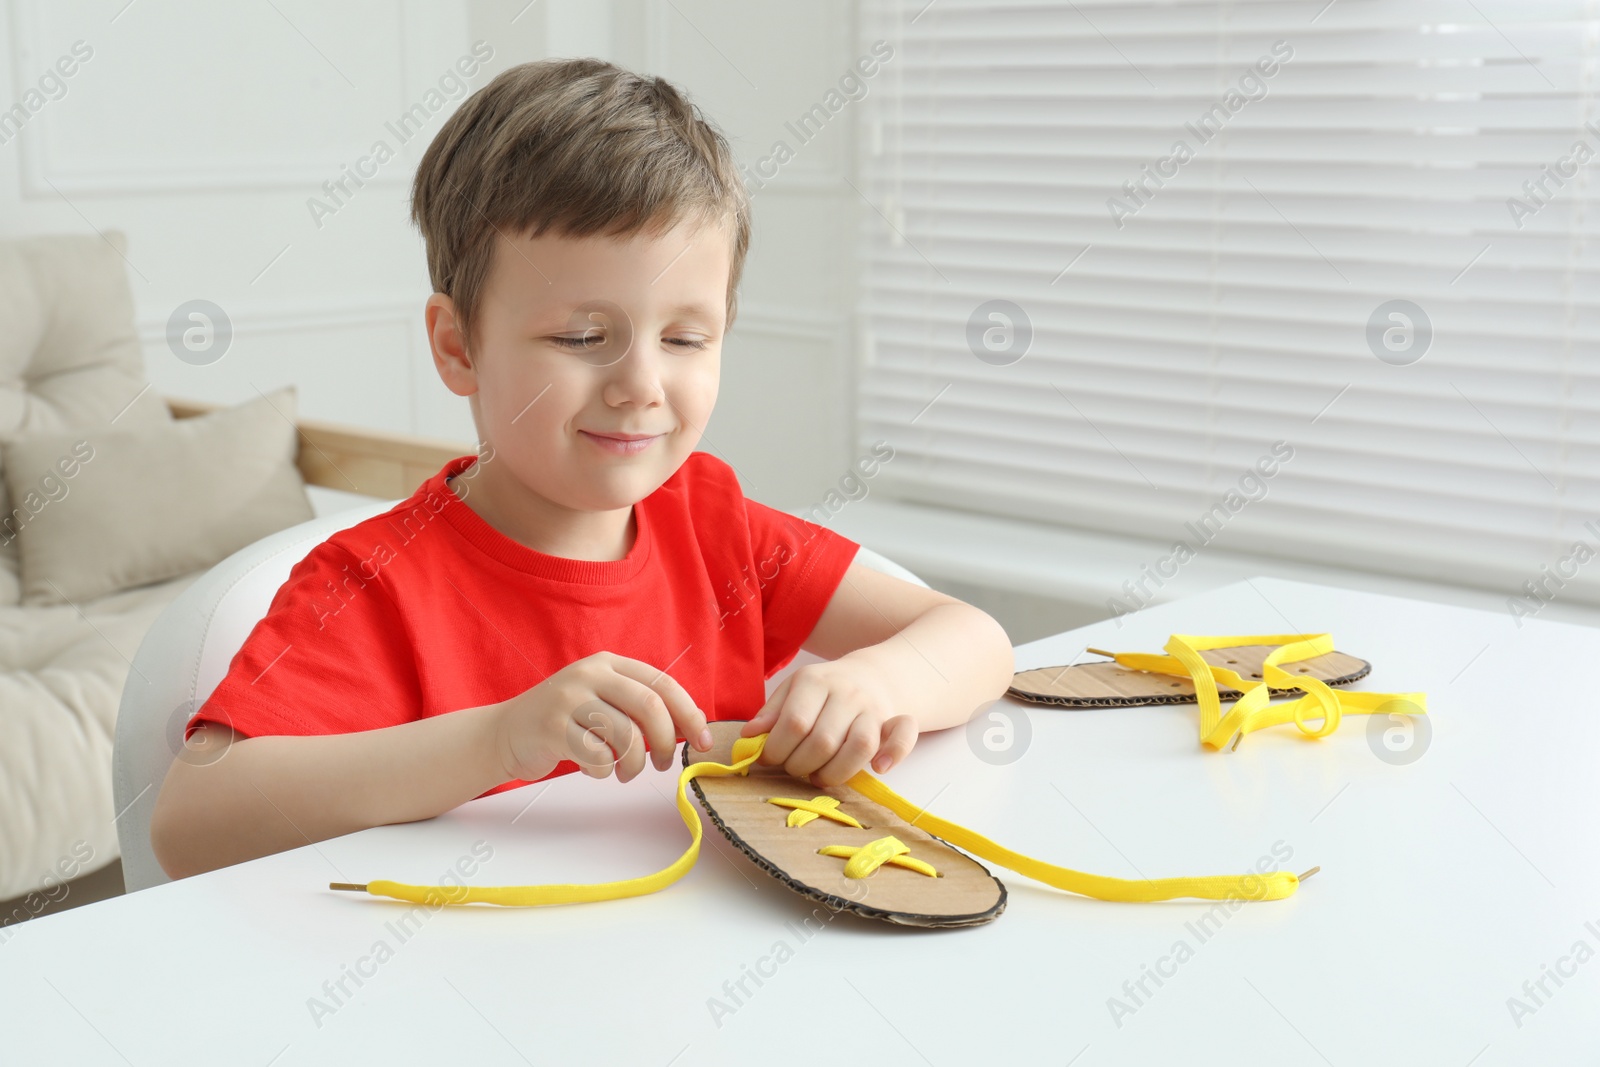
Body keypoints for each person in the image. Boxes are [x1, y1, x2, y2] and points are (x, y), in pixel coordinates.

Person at [149, 57, 1015, 880]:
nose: (641, 385)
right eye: (581, 338)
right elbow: (192, 824)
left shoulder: (714, 523)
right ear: (459, 347)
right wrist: (499, 741)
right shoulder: (372, 582)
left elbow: (977, 639)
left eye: (685, 338)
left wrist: (876, 680)